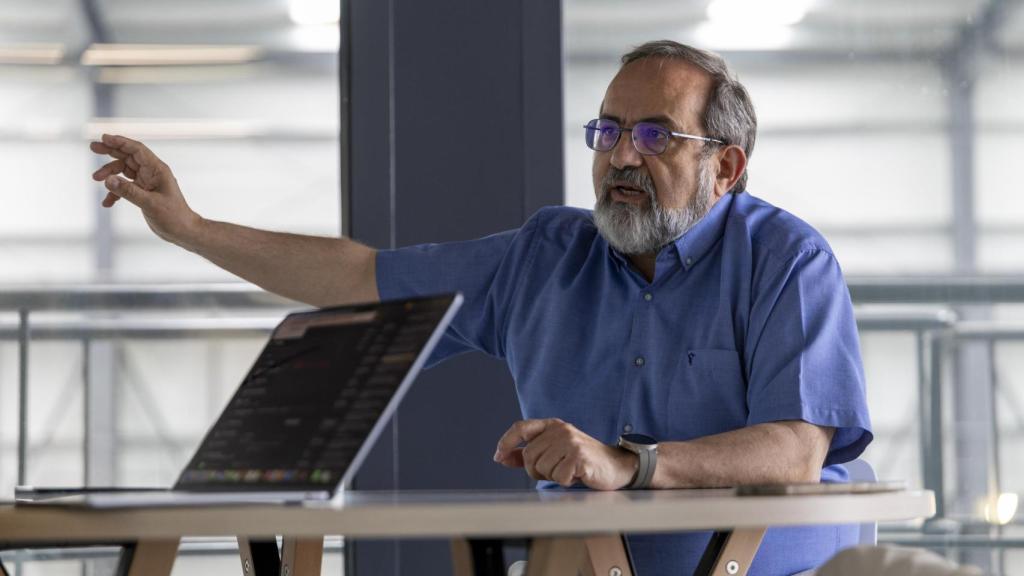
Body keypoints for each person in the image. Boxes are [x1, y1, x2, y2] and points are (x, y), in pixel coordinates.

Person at [90, 40, 871, 575]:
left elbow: (796, 449)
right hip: (585, 564)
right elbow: (361, 275)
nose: (619, 156)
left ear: (726, 166)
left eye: (654, 136)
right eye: (606, 132)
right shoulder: (545, 256)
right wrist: (189, 229)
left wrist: (631, 466)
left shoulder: (785, 261)